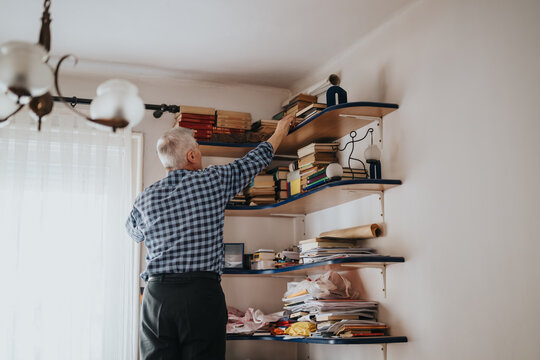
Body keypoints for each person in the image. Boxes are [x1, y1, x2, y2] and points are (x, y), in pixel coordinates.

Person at [125, 114, 295, 360]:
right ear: (191, 156)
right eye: (198, 151)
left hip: (157, 296)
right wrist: (280, 130)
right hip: (200, 294)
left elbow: (133, 232)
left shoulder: (145, 198)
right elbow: (255, 160)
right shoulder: (213, 180)